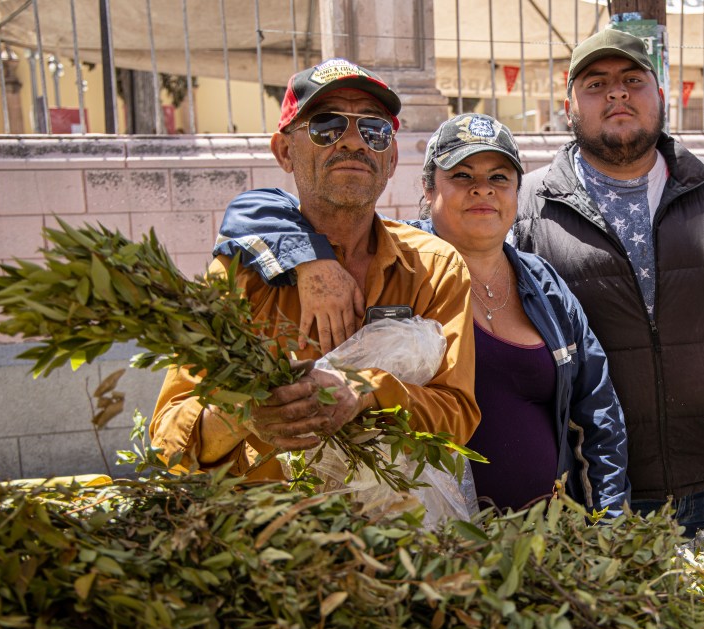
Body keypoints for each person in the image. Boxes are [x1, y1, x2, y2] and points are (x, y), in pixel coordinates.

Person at [214, 113, 630, 515]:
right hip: (430, 542)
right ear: (429, 189)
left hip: (546, 540)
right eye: (462, 175)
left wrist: (609, 524)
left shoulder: (546, 287)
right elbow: (257, 210)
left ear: (517, 192)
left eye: (499, 178)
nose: (482, 189)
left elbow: (597, 414)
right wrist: (310, 259)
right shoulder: (401, 267)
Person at [512, 27, 704, 534]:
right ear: (569, 108)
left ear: (662, 96)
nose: (617, 93)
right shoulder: (530, 209)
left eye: (633, 79)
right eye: (595, 84)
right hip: (601, 491)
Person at [150, 59, 479, 479]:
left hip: (393, 529)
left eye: (374, 130)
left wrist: (366, 392)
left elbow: (458, 415)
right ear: (285, 151)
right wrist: (245, 413)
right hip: (267, 531)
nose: (354, 142)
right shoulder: (239, 276)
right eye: (328, 126)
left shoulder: (435, 268)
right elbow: (168, 440)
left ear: (392, 158)